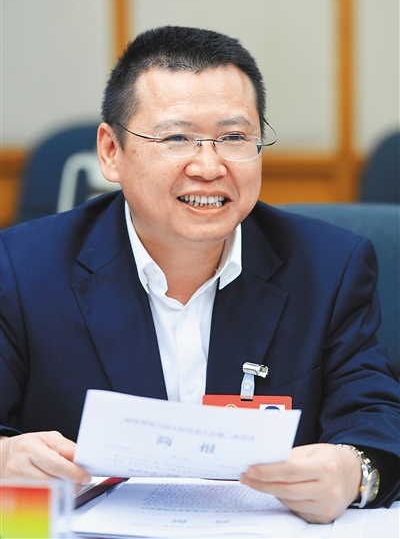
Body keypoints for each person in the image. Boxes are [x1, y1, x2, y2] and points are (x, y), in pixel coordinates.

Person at [1, 26, 399, 524]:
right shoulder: (21, 269)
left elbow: (377, 418)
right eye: (176, 138)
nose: (209, 167)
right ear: (110, 152)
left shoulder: (328, 266)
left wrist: (355, 471)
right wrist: (5, 458)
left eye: (234, 138)